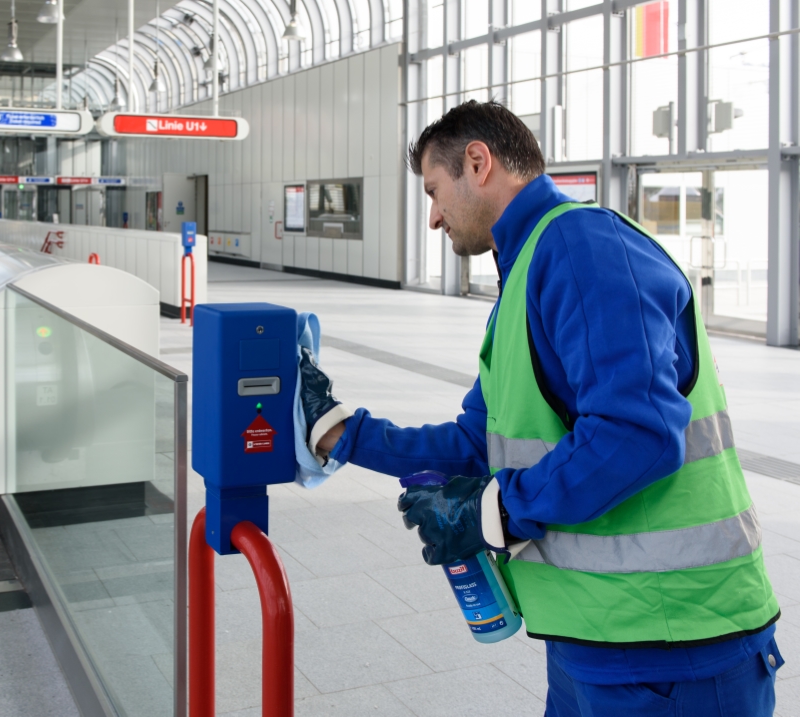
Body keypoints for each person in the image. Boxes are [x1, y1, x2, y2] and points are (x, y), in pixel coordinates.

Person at [298, 100, 783, 716]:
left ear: (478, 162)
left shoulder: (581, 244)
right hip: (599, 640)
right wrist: (341, 434)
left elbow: (638, 434)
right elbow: (480, 443)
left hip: (676, 649)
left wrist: (494, 512)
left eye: (435, 191)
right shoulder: (530, 268)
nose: (432, 217)